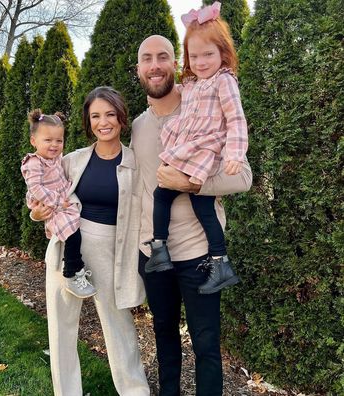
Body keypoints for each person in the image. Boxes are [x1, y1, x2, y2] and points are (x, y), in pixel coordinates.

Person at [133, 28, 252, 396]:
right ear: (138, 69)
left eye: (162, 57)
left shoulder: (205, 102)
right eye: (147, 59)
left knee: (205, 345)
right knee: (164, 336)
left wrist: (194, 185)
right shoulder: (137, 126)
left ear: (174, 63)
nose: (155, 66)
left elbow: (244, 177)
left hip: (198, 254)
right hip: (153, 255)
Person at [31, 87, 150, 396]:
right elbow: (41, 190)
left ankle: (135, 391)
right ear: (88, 121)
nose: (103, 122)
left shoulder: (135, 163)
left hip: (111, 251)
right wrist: (37, 214)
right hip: (66, 247)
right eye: (95, 116)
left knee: (119, 329)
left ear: (122, 118)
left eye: (110, 114)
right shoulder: (72, 160)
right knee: (60, 329)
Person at [145, 1, 246, 296]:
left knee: (177, 199)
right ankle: (178, 252)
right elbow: (177, 106)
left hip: (204, 152)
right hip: (187, 150)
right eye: (194, 55)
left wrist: (235, 154)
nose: (201, 62)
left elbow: (236, 120)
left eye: (208, 55)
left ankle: (171, 251)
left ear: (223, 54)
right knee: (183, 201)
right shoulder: (191, 83)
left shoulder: (224, 82)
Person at [21, 109, 96, 299]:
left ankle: (75, 269)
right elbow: (35, 188)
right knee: (73, 234)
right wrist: (56, 202)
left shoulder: (56, 159)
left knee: (76, 231)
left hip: (61, 201)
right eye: (48, 140)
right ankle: (71, 272)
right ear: (33, 141)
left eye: (59, 140)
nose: (54, 145)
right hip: (50, 204)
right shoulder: (33, 163)